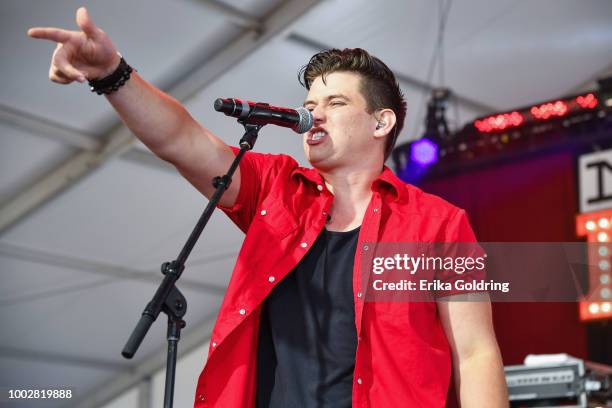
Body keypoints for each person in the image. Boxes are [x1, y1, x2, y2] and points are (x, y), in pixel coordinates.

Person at [29, 7, 508, 407]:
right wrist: (112, 75)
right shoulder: (277, 188)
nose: (312, 114)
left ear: (381, 123)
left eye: (335, 102)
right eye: (309, 102)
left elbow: (475, 354)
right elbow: (181, 139)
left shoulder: (439, 222)